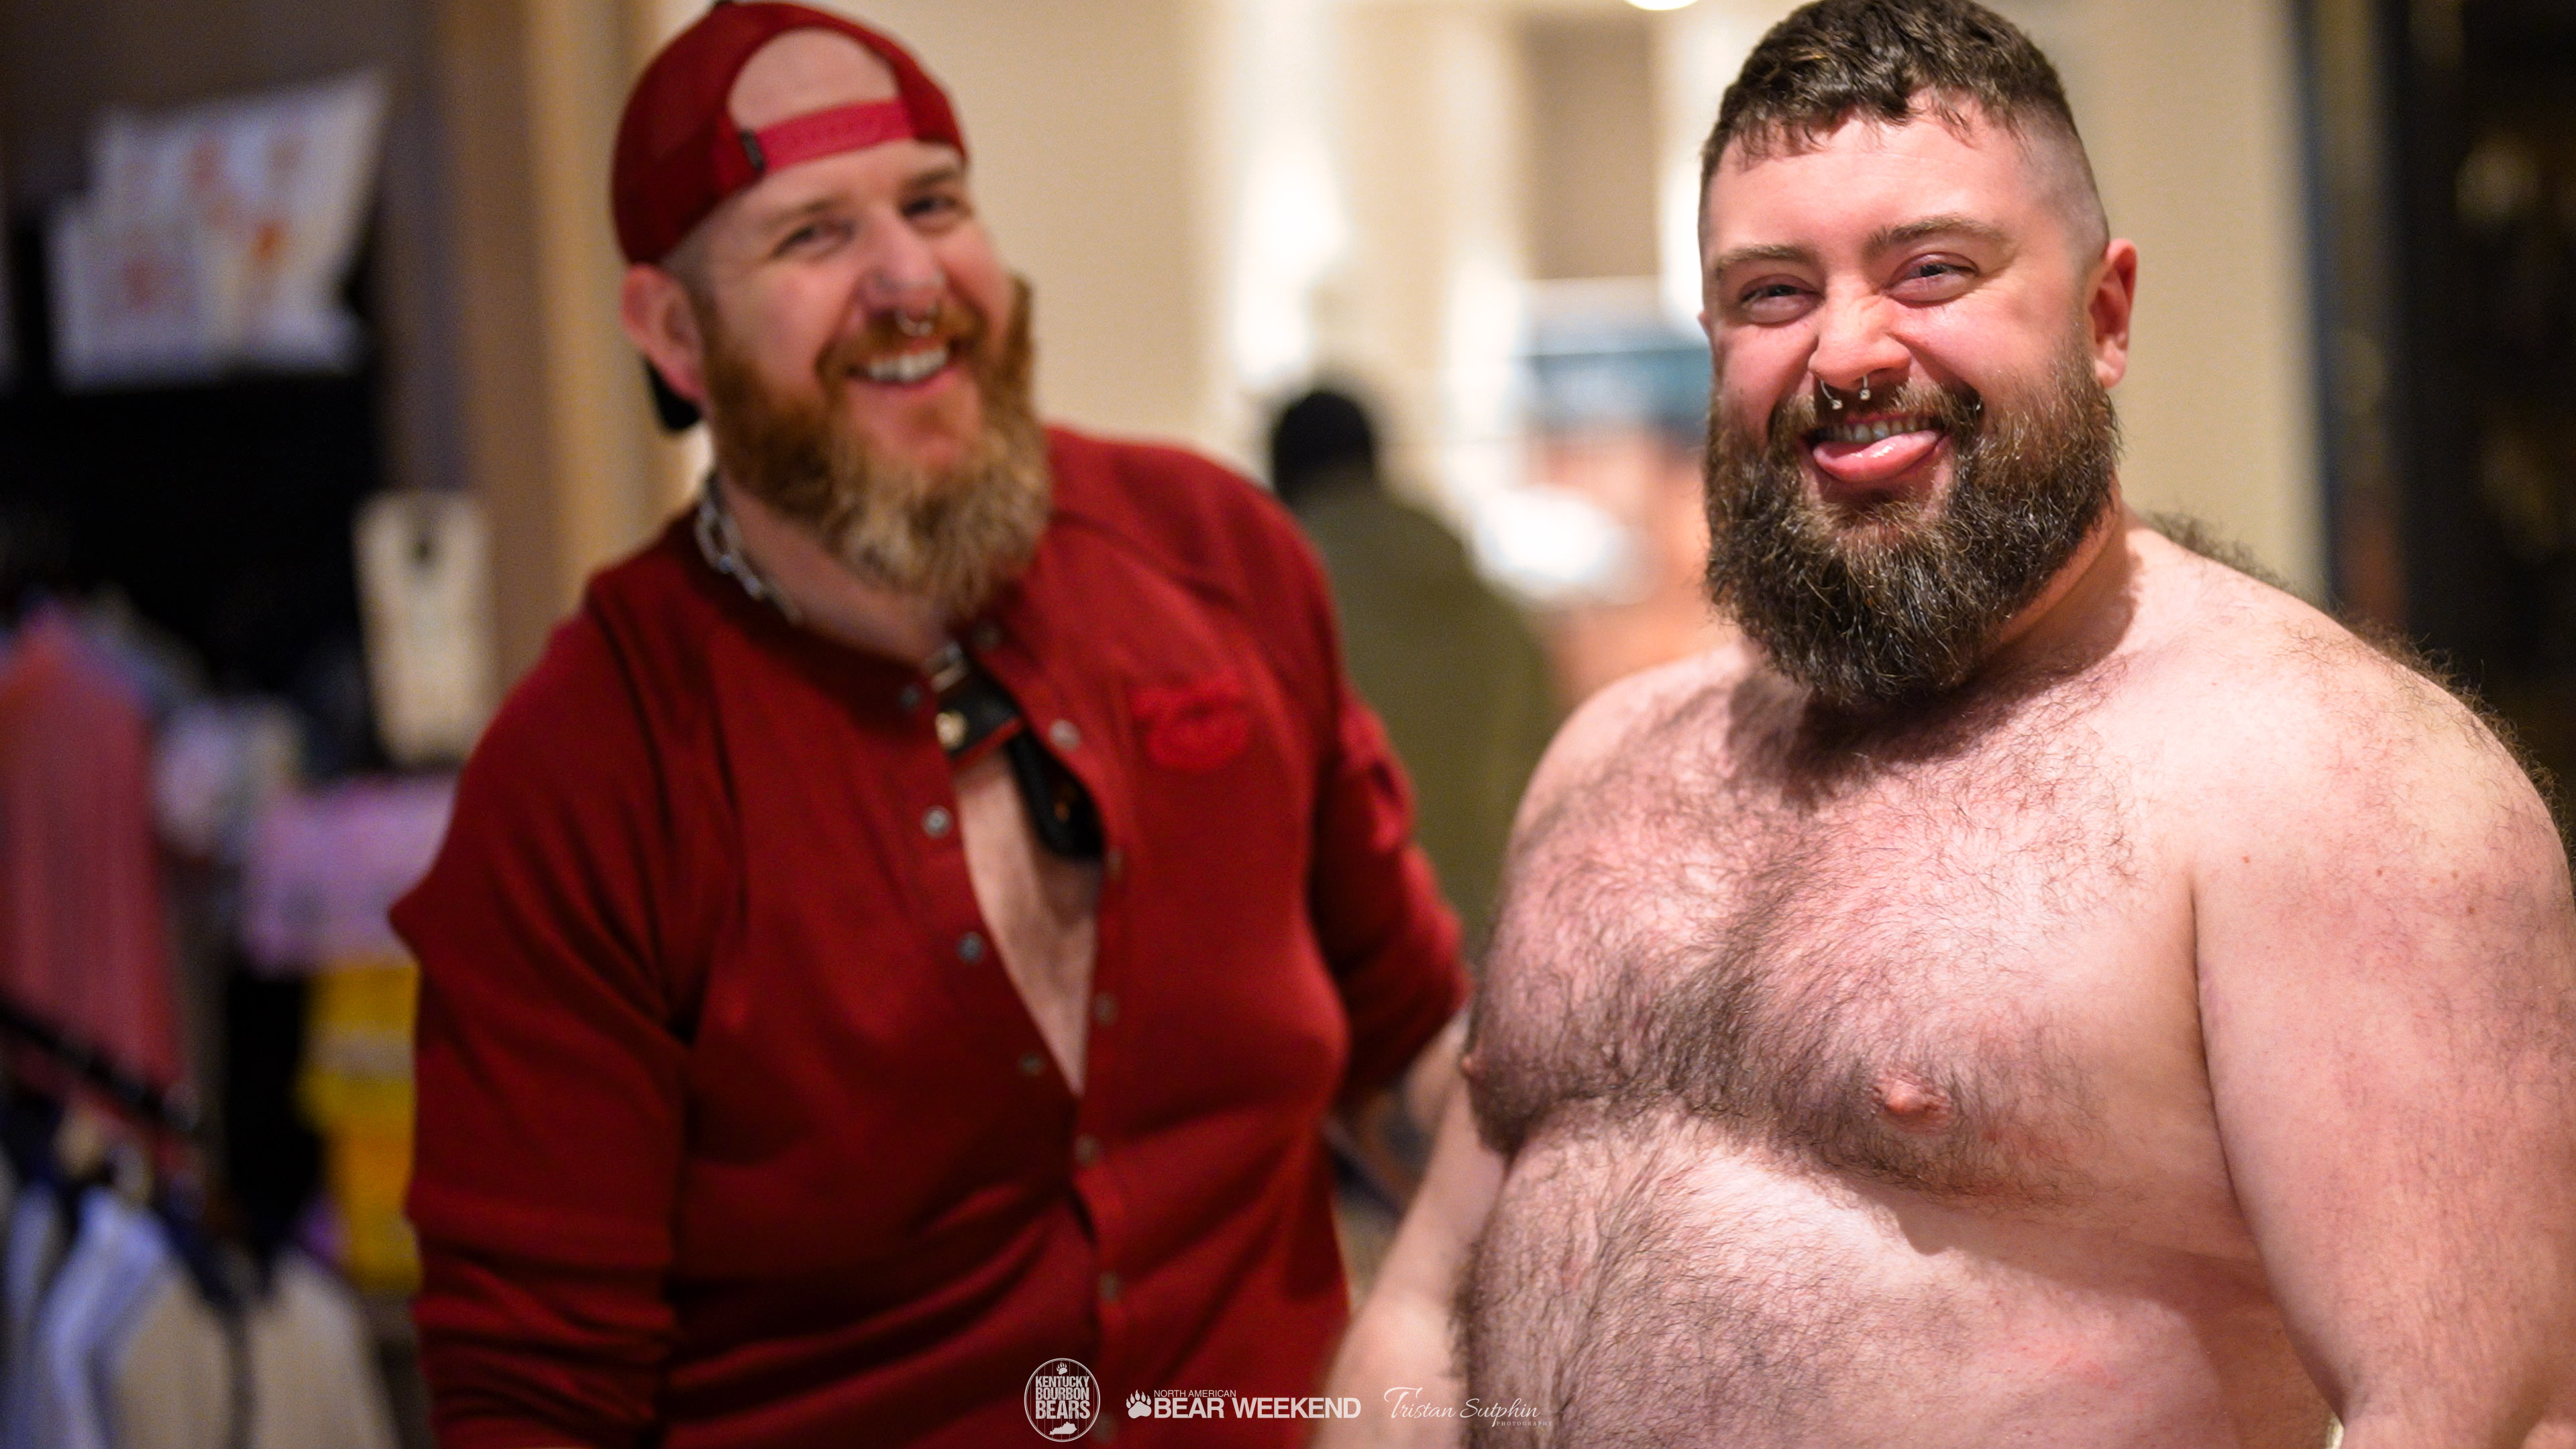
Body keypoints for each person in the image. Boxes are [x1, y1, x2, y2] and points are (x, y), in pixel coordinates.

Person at [1322, 2, 2576, 1446]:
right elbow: (1425, 1306)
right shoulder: (1610, 760)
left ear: (2104, 317)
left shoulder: (2339, 781)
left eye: (1931, 271)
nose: (1847, 351)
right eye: (1773, 294)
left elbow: (2484, 1420)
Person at [390, 6, 1468, 1446]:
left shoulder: (1221, 560)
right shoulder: (588, 770)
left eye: (935, 203)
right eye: (813, 234)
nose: (910, 278)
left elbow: (1409, 1043)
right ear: (674, 334)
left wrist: (1499, 1332)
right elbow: (535, 1397)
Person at [1268, 388, 1558, 956]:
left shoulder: (1281, 611)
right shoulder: (1495, 613)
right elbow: (1546, 774)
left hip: (1345, 950)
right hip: (1484, 938)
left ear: (1279, 475)